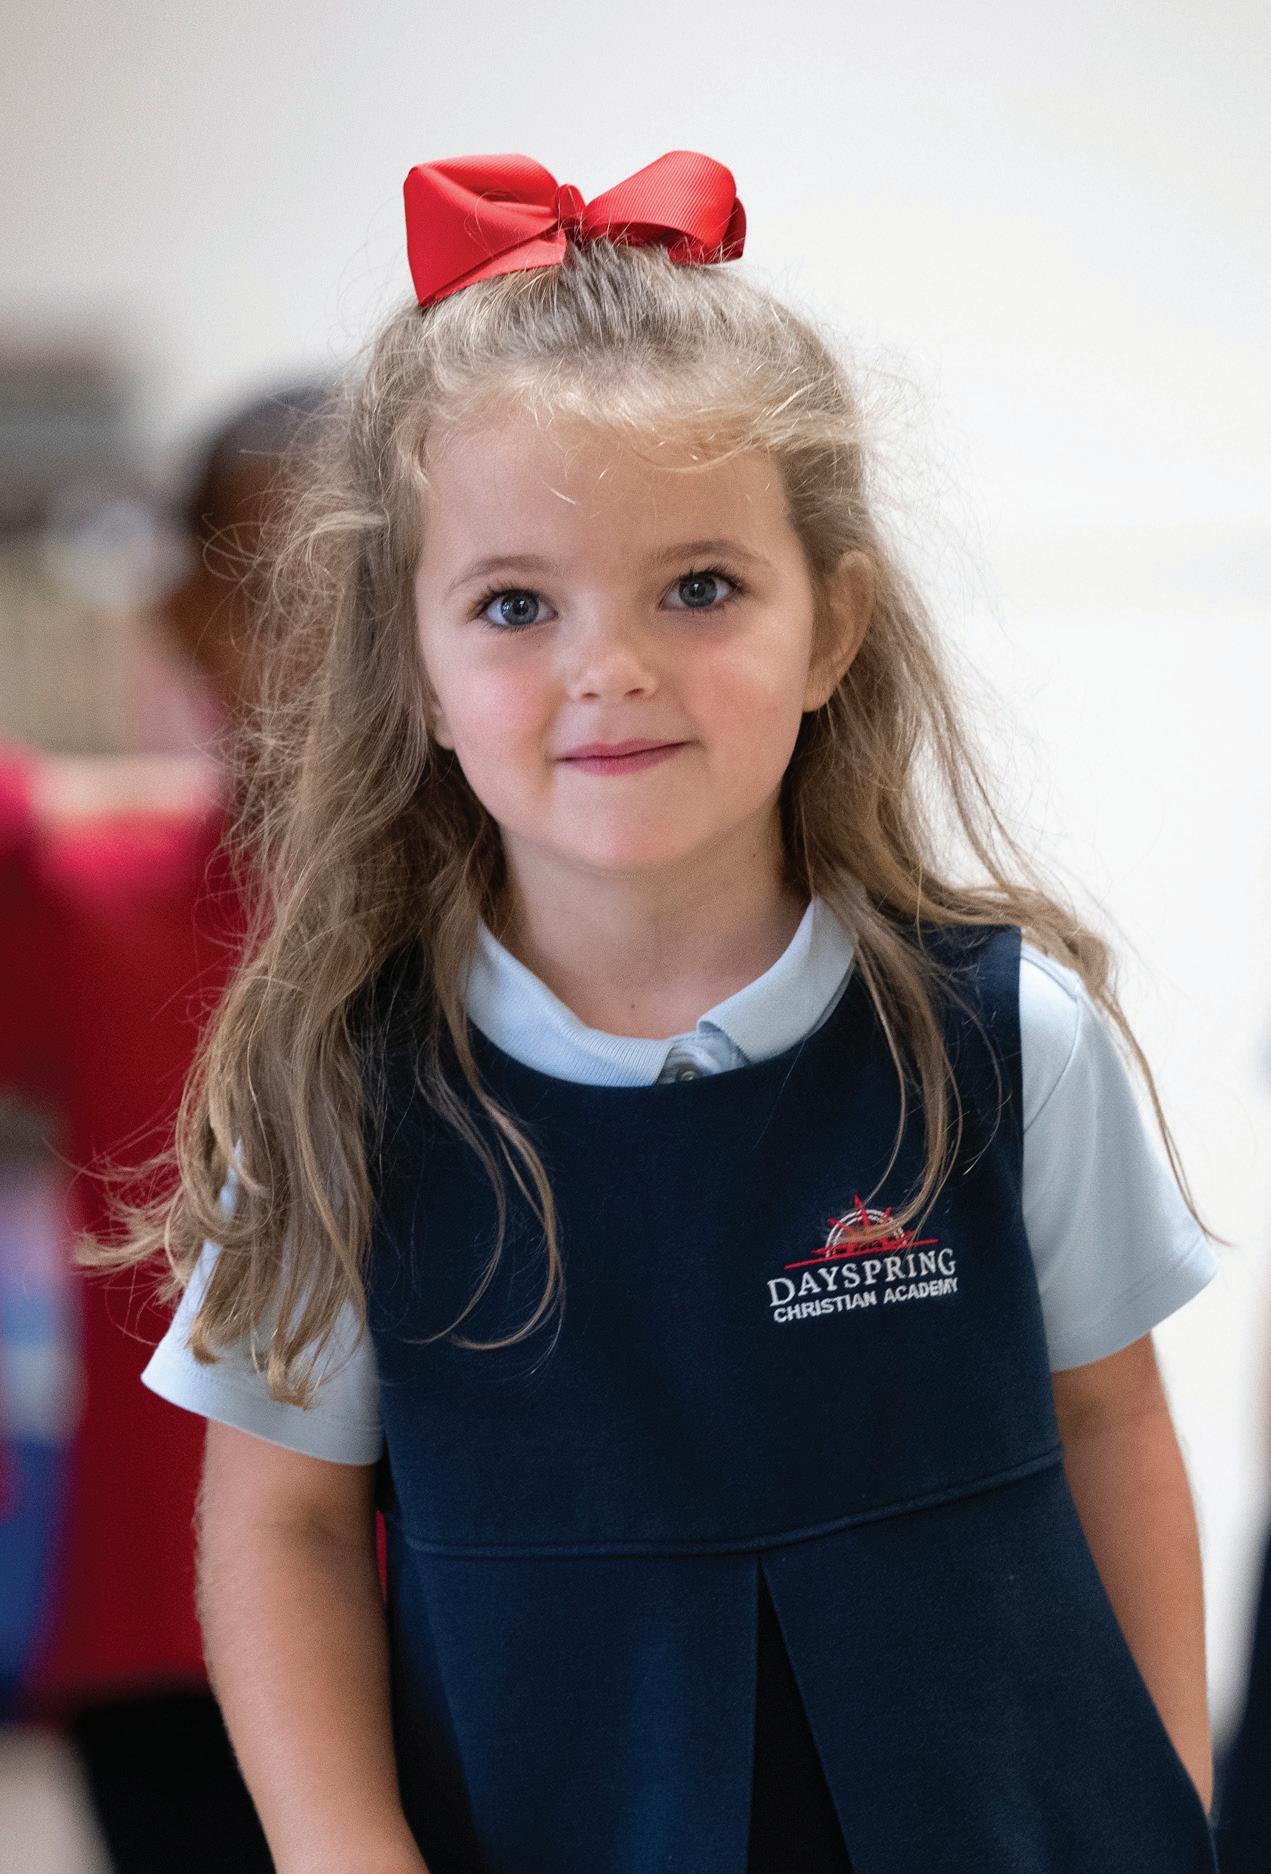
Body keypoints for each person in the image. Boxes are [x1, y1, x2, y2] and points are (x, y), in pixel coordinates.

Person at [82, 150, 1226, 1873]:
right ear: (413, 669)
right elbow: (285, 1529)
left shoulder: (1005, 1037)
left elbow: (1111, 1426)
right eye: (515, 604)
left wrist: (1167, 1811)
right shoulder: (343, 1099)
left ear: (832, 625)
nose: (609, 666)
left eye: (699, 586)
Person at [0, 380, 327, 1871]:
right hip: (166, 1645)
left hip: (471, 1614)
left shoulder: (543, 917)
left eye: (368, 597)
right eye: (272, 601)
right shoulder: (93, 895)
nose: (324, 655)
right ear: (187, 618)